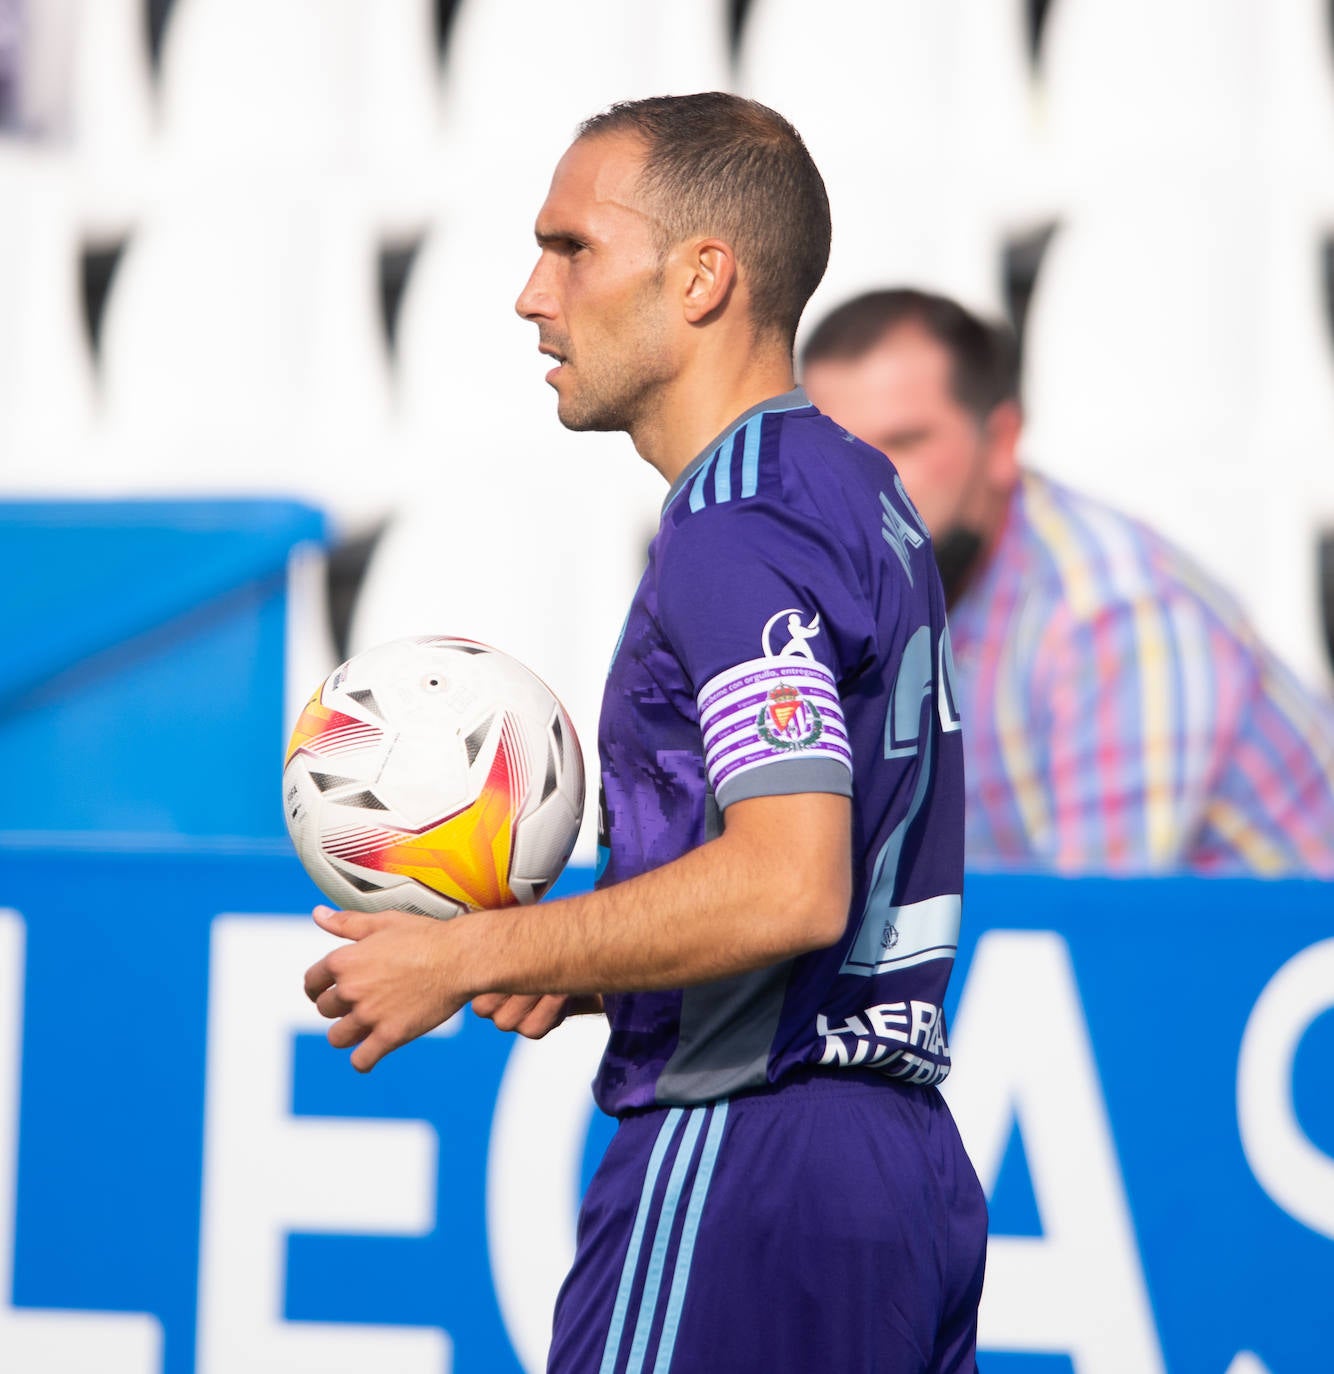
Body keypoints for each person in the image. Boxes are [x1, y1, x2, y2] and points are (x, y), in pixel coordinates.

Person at [304, 95, 986, 1372]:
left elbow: (789, 881)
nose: (529, 293)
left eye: (571, 249)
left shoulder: (737, 523)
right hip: (895, 1183)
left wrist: (470, 955)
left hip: (748, 1163)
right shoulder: (853, 491)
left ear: (701, 278)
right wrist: (598, 958)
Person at [801, 287, 1334, 874]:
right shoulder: (852, 595)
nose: (862, 483)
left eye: (904, 442)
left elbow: (1092, 930)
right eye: (837, 449)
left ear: (1001, 442)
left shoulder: (1116, 614)